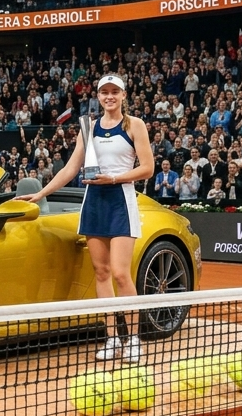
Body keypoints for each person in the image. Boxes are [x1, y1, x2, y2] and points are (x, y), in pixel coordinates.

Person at [17, 74, 153, 364]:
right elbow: (70, 168)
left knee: (120, 273)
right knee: (101, 273)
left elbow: (148, 168)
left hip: (120, 202)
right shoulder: (88, 127)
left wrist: (114, 178)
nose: (109, 97)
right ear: (99, 96)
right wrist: (40, 193)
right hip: (94, 204)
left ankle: (134, 341)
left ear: (123, 95)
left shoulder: (135, 125)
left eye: (115, 92)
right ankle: (112, 339)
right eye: (105, 92)